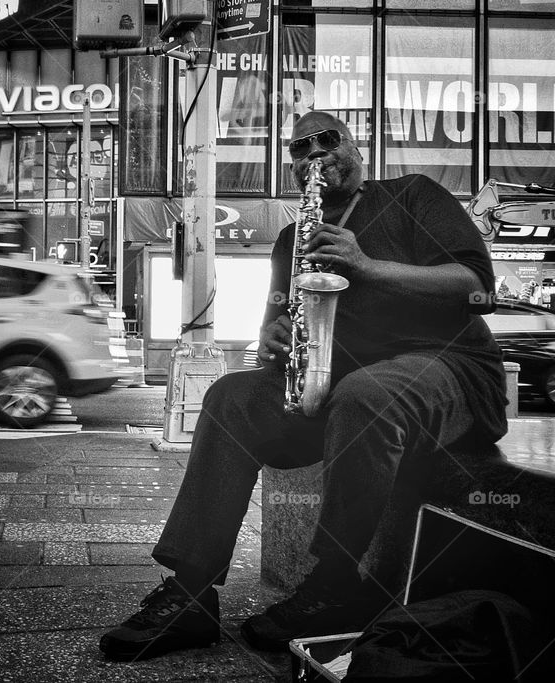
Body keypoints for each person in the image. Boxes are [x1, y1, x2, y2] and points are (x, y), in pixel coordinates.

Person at [99, 111, 508, 661]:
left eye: (327, 140)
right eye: (299, 148)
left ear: (356, 148)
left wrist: (365, 265)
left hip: (448, 369)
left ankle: (337, 585)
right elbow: (279, 322)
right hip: (336, 391)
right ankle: (190, 594)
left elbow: (476, 286)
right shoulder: (294, 237)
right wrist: (271, 339)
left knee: (367, 393)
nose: (314, 153)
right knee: (230, 399)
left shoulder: (413, 195)